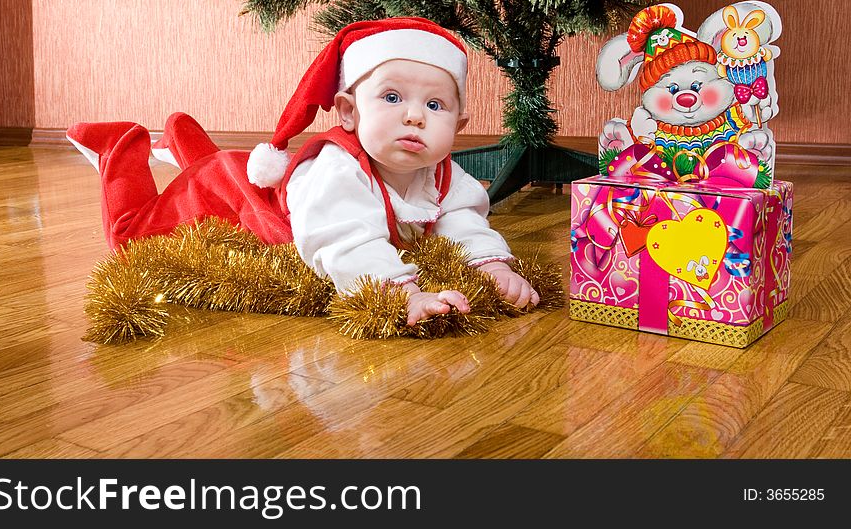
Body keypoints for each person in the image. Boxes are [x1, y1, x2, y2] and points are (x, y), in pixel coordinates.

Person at [68, 17, 539, 327]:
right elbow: (345, 242)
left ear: (458, 126)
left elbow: (464, 219)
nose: (414, 116)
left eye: (434, 105)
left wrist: (491, 263)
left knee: (230, 170)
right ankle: (119, 149)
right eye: (392, 98)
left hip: (259, 183)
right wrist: (404, 293)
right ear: (348, 112)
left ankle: (186, 143)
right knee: (135, 240)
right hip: (229, 198)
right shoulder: (337, 169)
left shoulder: (441, 171)